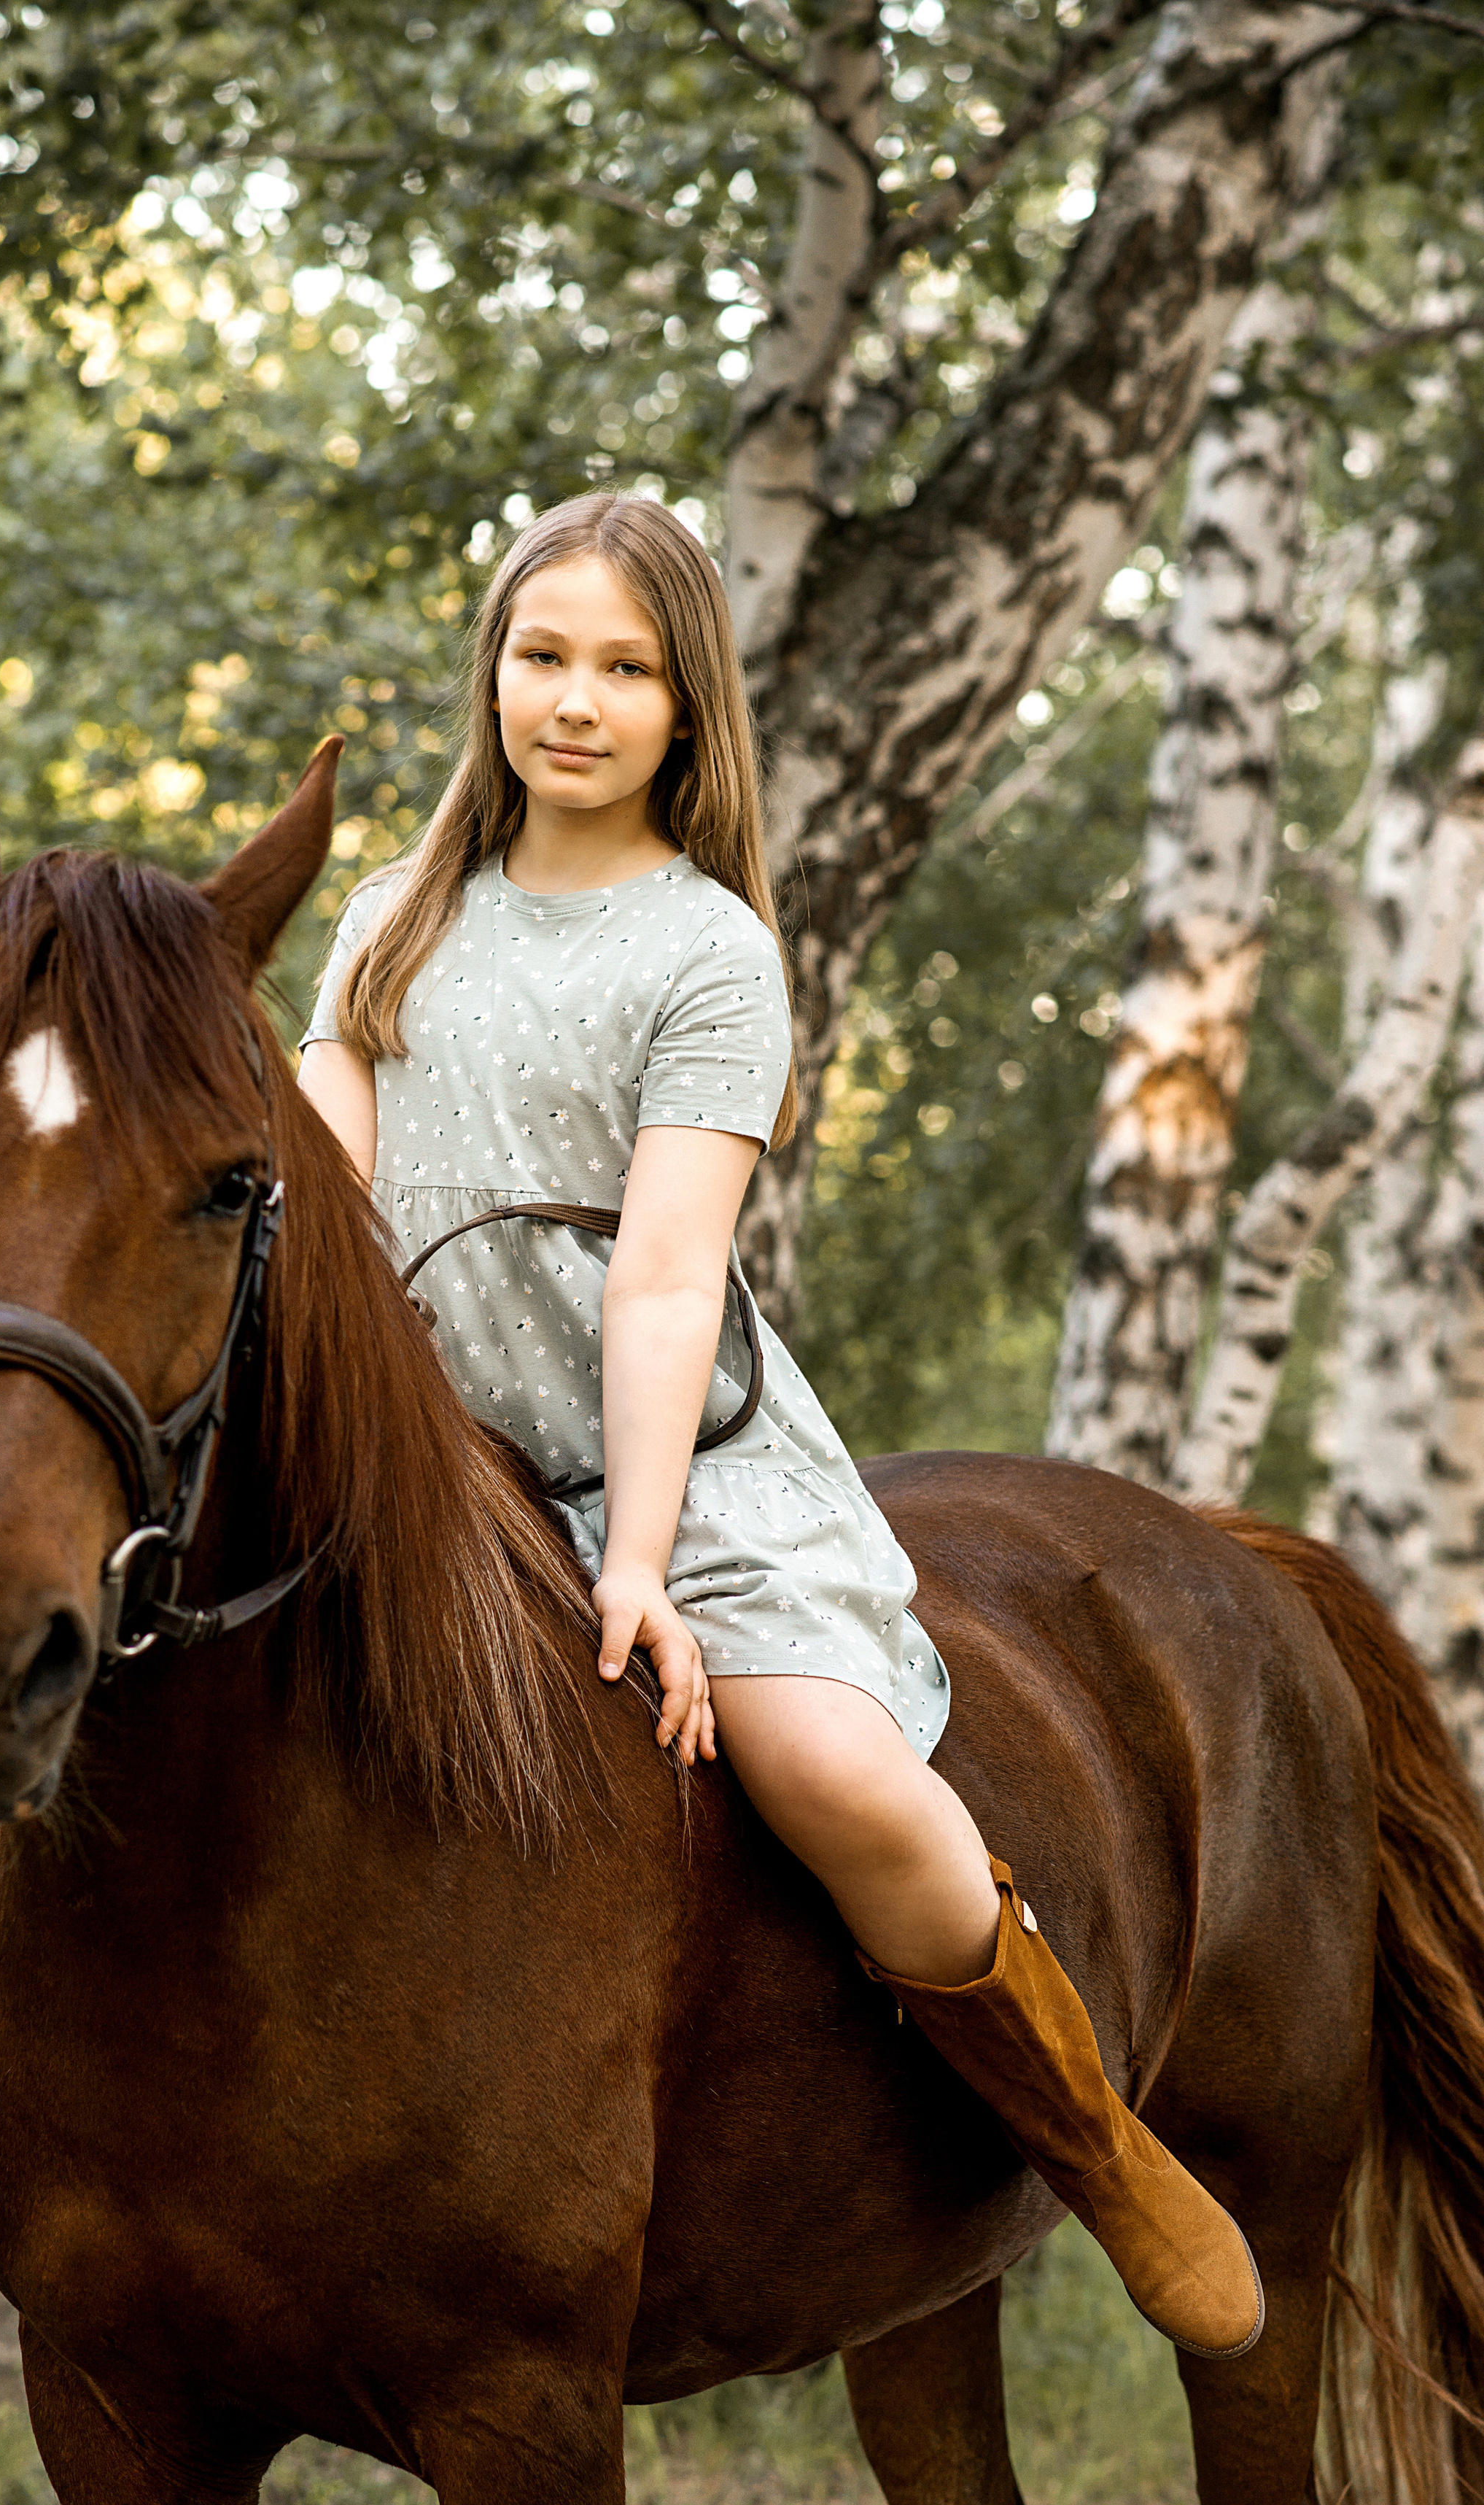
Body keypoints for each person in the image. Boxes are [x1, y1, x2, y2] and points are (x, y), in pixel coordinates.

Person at [297, 489, 1262, 2361]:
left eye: (624, 668)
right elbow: (331, 1213)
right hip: (428, 1468)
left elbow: (663, 1282)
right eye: (541, 654)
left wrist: (639, 1557)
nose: (573, 700)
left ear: (685, 706)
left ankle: (1089, 2140)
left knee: (833, 1773)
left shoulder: (707, 952)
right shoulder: (389, 921)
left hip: (671, 1469)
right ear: (490, 669)